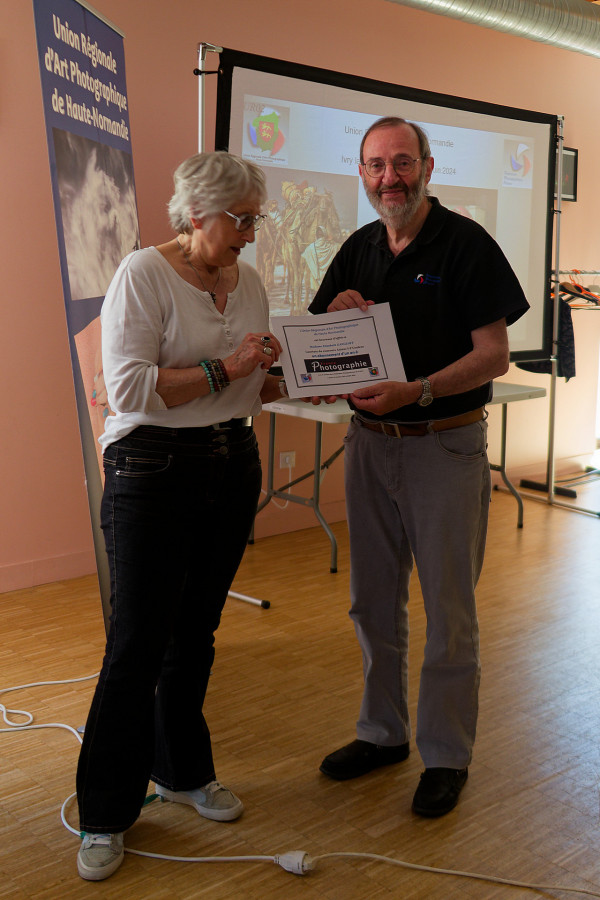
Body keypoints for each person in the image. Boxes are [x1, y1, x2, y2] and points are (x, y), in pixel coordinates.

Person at [76, 151, 288, 881]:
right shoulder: (143, 273)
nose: (250, 236)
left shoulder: (248, 281)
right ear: (197, 214)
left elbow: (250, 391)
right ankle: (105, 811)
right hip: (152, 469)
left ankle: (182, 771)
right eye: (241, 220)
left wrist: (288, 370)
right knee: (136, 645)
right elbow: (129, 391)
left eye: (256, 220)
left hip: (231, 463)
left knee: (196, 633)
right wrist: (226, 369)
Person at [308, 117, 529, 817]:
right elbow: (318, 347)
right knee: (373, 604)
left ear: (428, 167)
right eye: (375, 165)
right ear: (363, 172)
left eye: (402, 163)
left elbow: (493, 354)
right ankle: (382, 734)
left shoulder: (465, 243)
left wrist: (420, 390)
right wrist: (334, 315)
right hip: (370, 446)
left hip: (444, 445)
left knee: (450, 612)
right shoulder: (359, 246)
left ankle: (446, 755)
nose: (388, 178)